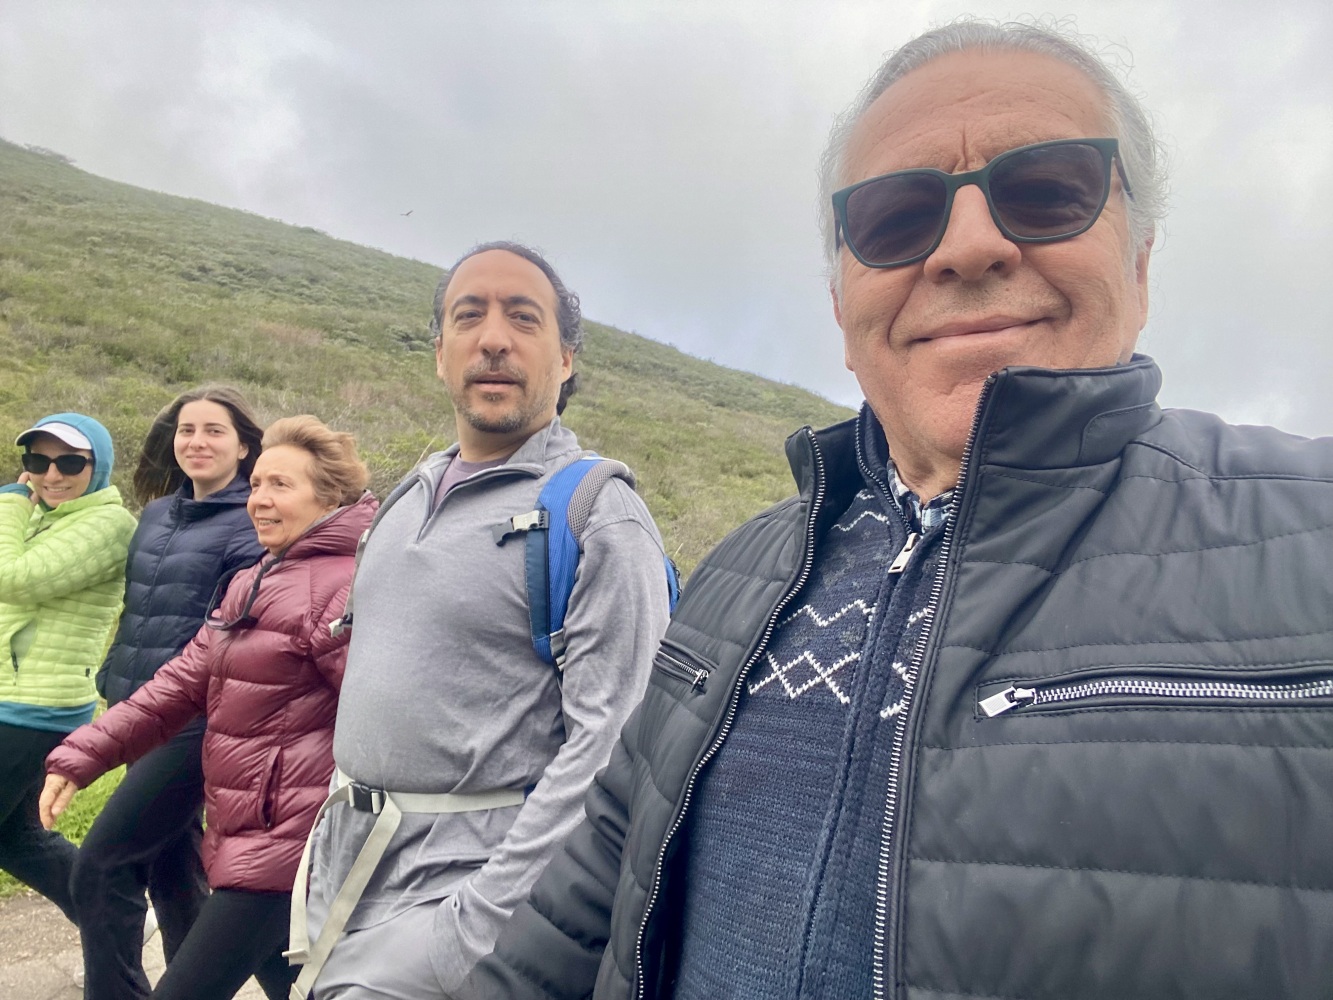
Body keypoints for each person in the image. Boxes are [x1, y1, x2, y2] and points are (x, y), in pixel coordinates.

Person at [458, 19, 1333, 1000]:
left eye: (1048, 190)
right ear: (842, 308)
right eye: (895, 214)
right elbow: (580, 906)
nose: (968, 245)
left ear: (1138, 262)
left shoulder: (1313, 539)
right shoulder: (738, 571)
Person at [293, 241, 672, 999]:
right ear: (440, 353)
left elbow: (613, 748)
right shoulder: (408, 495)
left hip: (460, 913)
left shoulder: (598, 516)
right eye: (469, 316)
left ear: (565, 358)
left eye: (523, 318)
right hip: (343, 885)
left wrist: (472, 931)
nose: (493, 338)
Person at [42, 416, 377, 1000]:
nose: (260, 500)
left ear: (329, 499)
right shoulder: (258, 577)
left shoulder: (337, 590)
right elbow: (179, 685)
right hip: (247, 832)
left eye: (281, 486)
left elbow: (385, 719)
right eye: (257, 484)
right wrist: (82, 754)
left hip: (288, 845)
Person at [75, 386, 267, 1000]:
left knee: (101, 867)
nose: (197, 442)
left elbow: (228, 639)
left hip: (194, 722)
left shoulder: (252, 522)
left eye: (214, 430)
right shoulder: (158, 513)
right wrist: (114, 679)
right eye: (187, 430)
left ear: (244, 446)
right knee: (173, 872)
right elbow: (139, 607)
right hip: (137, 710)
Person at [0, 413, 136, 920]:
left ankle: (115, 921)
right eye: (38, 461)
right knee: (16, 837)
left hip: (35, 707)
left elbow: (13, 578)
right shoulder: (47, 518)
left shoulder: (108, 525)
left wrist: (11, 502)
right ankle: (112, 922)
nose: (51, 474)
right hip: (16, 699)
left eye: (70, 463)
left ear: (99, 466)